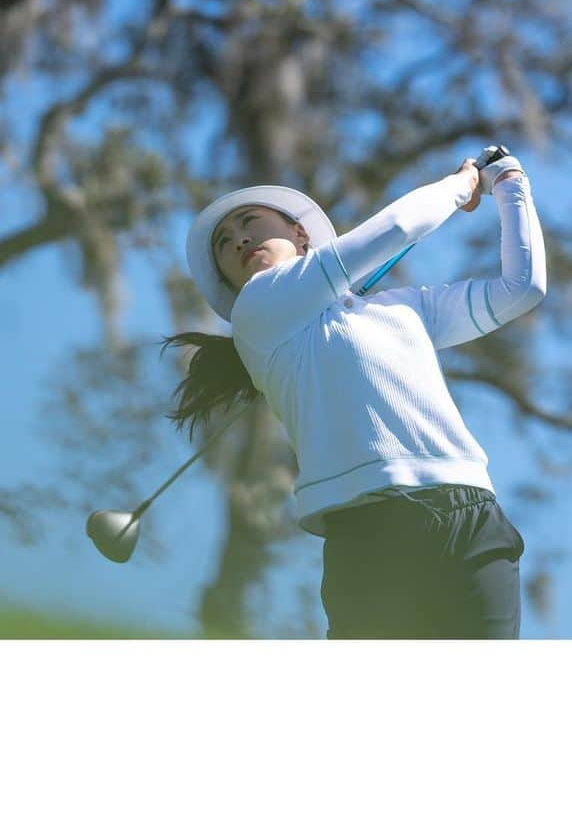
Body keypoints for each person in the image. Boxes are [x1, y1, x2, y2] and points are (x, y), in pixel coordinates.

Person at [162, 146, 546, 639]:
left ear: (301, 234)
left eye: (251, 224)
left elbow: (523, 288)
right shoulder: (258, 311)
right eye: (224, 244)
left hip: (473, 516)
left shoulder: (404, 310)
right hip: (370, 531)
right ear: (232, 283)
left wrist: (511, 183)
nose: (239, 240)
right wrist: (462, 186)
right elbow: (399, 228)